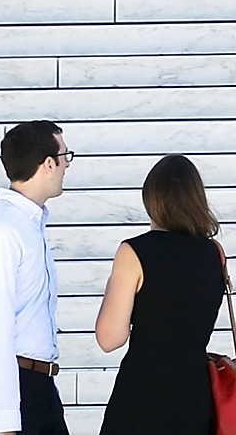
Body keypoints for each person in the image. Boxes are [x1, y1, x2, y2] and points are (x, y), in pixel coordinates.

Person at [92, 153, 227, 435]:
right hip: (195, 397)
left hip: (142, 397)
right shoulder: (215, 254)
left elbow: (109, 338)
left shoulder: (134, 252)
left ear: (151, 198)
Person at [0, 119, 70, 434]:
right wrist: (5, 421)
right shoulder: (2, 231)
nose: (67, 166)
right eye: (65, 156)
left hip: (38, 388)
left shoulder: (28, 225)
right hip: (7, 390)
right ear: (48, 164)